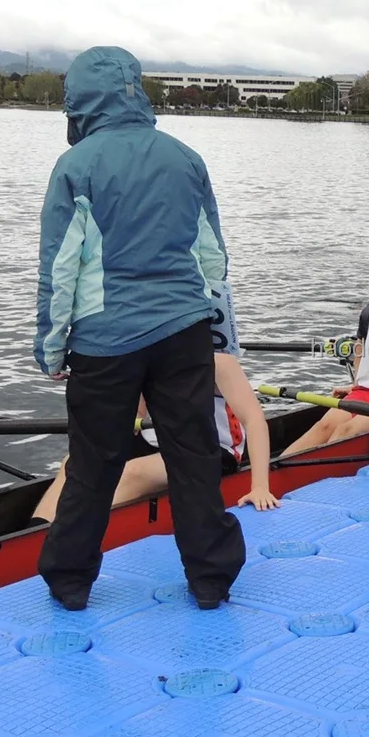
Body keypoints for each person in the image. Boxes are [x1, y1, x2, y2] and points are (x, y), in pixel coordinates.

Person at [33, 46, 246, 610]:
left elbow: (60, 269)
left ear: (79, 102)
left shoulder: (76, 166)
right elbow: (212, 257)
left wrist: (51, 350)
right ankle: (210, 579)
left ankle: (70, 579)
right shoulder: (186, 158)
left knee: (93, 463)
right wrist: (207, 322)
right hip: (183, 331)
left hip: (105, 342)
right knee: (194, 454)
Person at [32, 281, 279, 523]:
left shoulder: (219, 360)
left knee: (133, 473)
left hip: (213, 449)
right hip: (160, 439)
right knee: (77, 460)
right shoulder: (143, 350)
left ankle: (66, 534)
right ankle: (39, 529)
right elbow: (136, 416)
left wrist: (259, 487)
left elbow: (254, 421)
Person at [285, 264, 369, 454]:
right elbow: (360, 351)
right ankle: (268, 475)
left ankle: (311, 476)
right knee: (322, 427)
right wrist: (356, 383)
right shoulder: (368, 314)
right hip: (364, 393)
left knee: (346, 431)